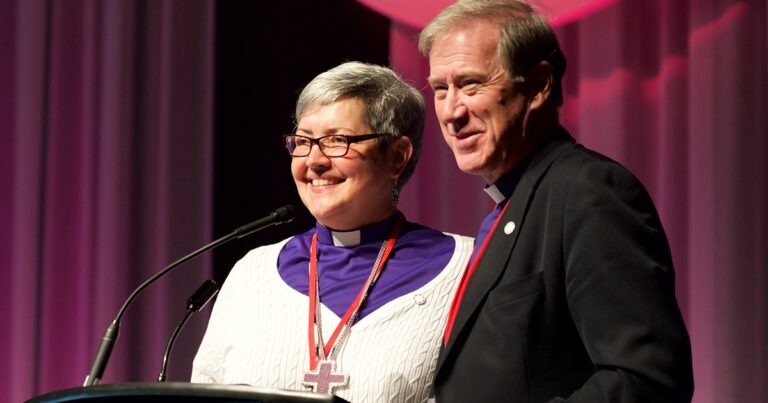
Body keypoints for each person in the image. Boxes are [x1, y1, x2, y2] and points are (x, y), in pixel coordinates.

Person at [418, 1, 694, 402]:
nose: (451, 111)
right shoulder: (514, 205)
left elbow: (647, 379)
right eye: (441, 89)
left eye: (471, 84)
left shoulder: (589, 191)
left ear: (538, 85)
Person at [191, 61, 473, 402]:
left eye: (337, 140)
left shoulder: (465, 268)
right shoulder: (253, 272)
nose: (315, 160)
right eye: (304, 141)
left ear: (396, 157)